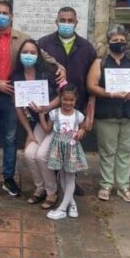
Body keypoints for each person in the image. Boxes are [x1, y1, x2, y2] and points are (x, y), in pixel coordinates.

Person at [0, 1, 65, 196]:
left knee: (10, 137)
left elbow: (43, 55)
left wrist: (60, 67)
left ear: (11, 16)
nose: (1, 16)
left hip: (14, 95)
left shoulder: (22, 38)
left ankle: (8, 177)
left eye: (4, 13)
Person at [38, 7, 97, 198]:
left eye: (69, 20)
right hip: (52, 104)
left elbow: (92, 79)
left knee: (73, 145)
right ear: (56, 22)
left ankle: (71, 180)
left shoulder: (87, 48)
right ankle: (53, 181)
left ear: (76, 22)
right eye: (62, 20)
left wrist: (90, 108)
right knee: (54, 144)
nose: (66, 23)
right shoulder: (44, 44)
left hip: (76, 106)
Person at [87, 24, 130, 202]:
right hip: (107, 113)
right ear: (108, 42)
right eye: (115, 40)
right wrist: (110, 93)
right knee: (107, 151)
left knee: (125, 151)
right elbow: (91, 85)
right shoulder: (100, 62)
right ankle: (106, 185)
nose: (119, 43)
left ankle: (123, 186)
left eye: (122, 40)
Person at [13, 40, 60, 209]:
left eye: (33, 52)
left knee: (41, 155)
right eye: (25, 52)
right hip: (38, 124)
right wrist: (29, 133)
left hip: (56, 121)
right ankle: (40, 189)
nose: (29, 55)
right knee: (29, 153)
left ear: (38, 55)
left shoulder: (47, 73)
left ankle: (52, 191)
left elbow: (63, 96)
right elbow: (19, 107)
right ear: (20, 55)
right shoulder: (17, 77)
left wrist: (46, 107)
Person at [40, 84, 89, 220]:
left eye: (71, 100)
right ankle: (72, 204)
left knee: (70, 177)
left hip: (71, 150)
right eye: (65, 100)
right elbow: (47, 130)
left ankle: (62, 209)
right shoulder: (54, 114)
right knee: (61, 176)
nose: (68, 103)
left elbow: (83, 128)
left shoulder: (78, 116)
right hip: (57, 149)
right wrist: (40, 115)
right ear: (60, 98)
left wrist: (81, 131)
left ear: (76, 100)